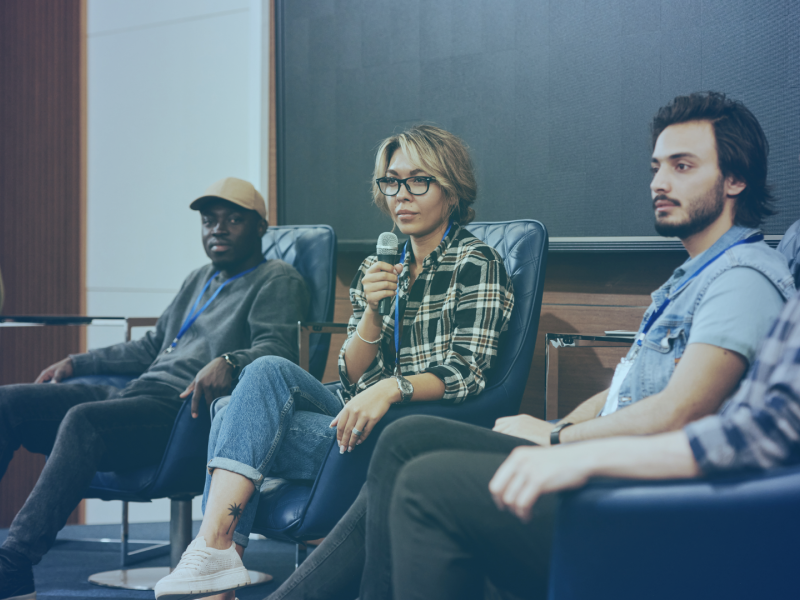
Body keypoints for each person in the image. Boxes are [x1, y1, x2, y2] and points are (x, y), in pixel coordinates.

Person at [263, 91, 796, 600]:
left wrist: (562, 443)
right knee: (407, 441)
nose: (659, 181)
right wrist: (554, 426)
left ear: (735, 179)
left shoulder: (743, 278)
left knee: (420, 472)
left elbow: (683, 411)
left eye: (682, 166)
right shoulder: (687, 279)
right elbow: (626, 390)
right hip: (605, 452)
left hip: (641, 488)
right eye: (656, 167)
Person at [153, 125, 515, 600]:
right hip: (353, 414)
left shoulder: (477, 262)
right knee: (260, 373)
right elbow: (351, 372)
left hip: (411, 428)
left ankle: (217, 569)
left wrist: (392, 388)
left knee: (229, 418)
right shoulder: (379, 266)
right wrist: (371, 311)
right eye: (391, 181)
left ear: (451, 189)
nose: (400, 196)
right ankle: (217, 556)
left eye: (418, 180)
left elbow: (467, 373)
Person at [0, 177, 309, 600]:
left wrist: (231, 361)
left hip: (181, 410)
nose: (218, 228)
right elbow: (151, 346)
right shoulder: (200, 277)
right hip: (136, 393)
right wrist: (77, 363)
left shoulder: (277, 278)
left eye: (234, 219)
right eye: (209, 220)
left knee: (84, 420)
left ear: (260, 228)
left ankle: (13, 564)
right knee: (7, 403)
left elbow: (277, 350)